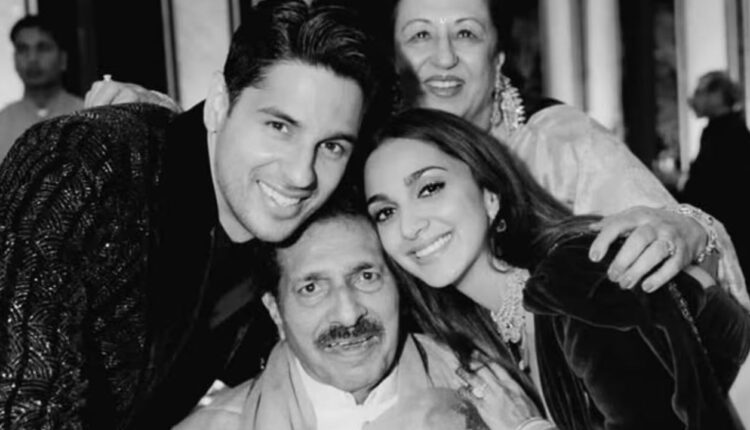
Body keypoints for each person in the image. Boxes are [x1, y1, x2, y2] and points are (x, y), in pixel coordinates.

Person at [83, 0, 750, 309]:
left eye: (466, 34)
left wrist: (682, 230)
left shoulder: (558, 141)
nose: (443, 57)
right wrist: (166, 115)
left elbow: (686, 243)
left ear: (499, 57)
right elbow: (272, 140)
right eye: (420, 35)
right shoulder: (376, 152)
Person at [0, 0, 389, 428]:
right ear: (219, 102)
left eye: (331, 146)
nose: (301, 175)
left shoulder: (292, 228)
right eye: (279, 127)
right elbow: (22, 399)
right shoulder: (86, 163)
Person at [363, 108, 750, 429]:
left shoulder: (578, 279)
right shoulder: (487, 330)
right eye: (385, 212)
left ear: (490, 194)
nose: (408, 226)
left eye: (429, 188)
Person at [174, 198, 554, 430]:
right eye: (312, 288)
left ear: (398, 285)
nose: (348, 315)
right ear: (275, 310)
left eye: (366, 276)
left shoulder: (498, 401)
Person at [681, 71, 750, 279]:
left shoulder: (728, 133)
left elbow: (709, 187)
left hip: (729, 232)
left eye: (700, 92)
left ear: (717, 96)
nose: (693, 99)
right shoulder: (720, 130)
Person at [0, 15, 83, 162]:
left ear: (63, 59)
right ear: (14, 59)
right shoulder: (3, 122)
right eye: (23, 49)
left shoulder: (85, 115)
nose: (32, 59)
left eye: (43, 48)